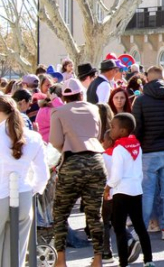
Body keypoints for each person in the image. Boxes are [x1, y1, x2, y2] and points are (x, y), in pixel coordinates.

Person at [49, 77, 106, 267]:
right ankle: (98, 258)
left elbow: (56, 141)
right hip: (96, 161)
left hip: (72, 160)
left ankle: (61, 259)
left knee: (60, 212)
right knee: (94, 214)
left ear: (65, 97)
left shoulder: (58, 112)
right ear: (81, 94)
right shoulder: (94, 109)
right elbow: (97, 135)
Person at [133, 66, 164, 240]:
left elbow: (137, 129)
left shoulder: (140, 101)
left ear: (148, 79)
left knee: (147, 192)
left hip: (148, 151)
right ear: (163, 79)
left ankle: (142, 228)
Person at [0, 95, 49, 267]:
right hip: (23, 194)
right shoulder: (34, 137)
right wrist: (32, 189)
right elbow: (43, 174)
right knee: (17, 254)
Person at [105, 113, 155, 267]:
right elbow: (138, 170)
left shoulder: (119, 149)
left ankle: (123, 262)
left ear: (123, 131)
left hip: (121, 192)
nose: (110, 130)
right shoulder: (137, 146)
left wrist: (108, 187)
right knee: (140, 226)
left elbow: (116, 175)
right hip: (136, 190)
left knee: (119, 228)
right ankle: (148, 260)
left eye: (113, 127)